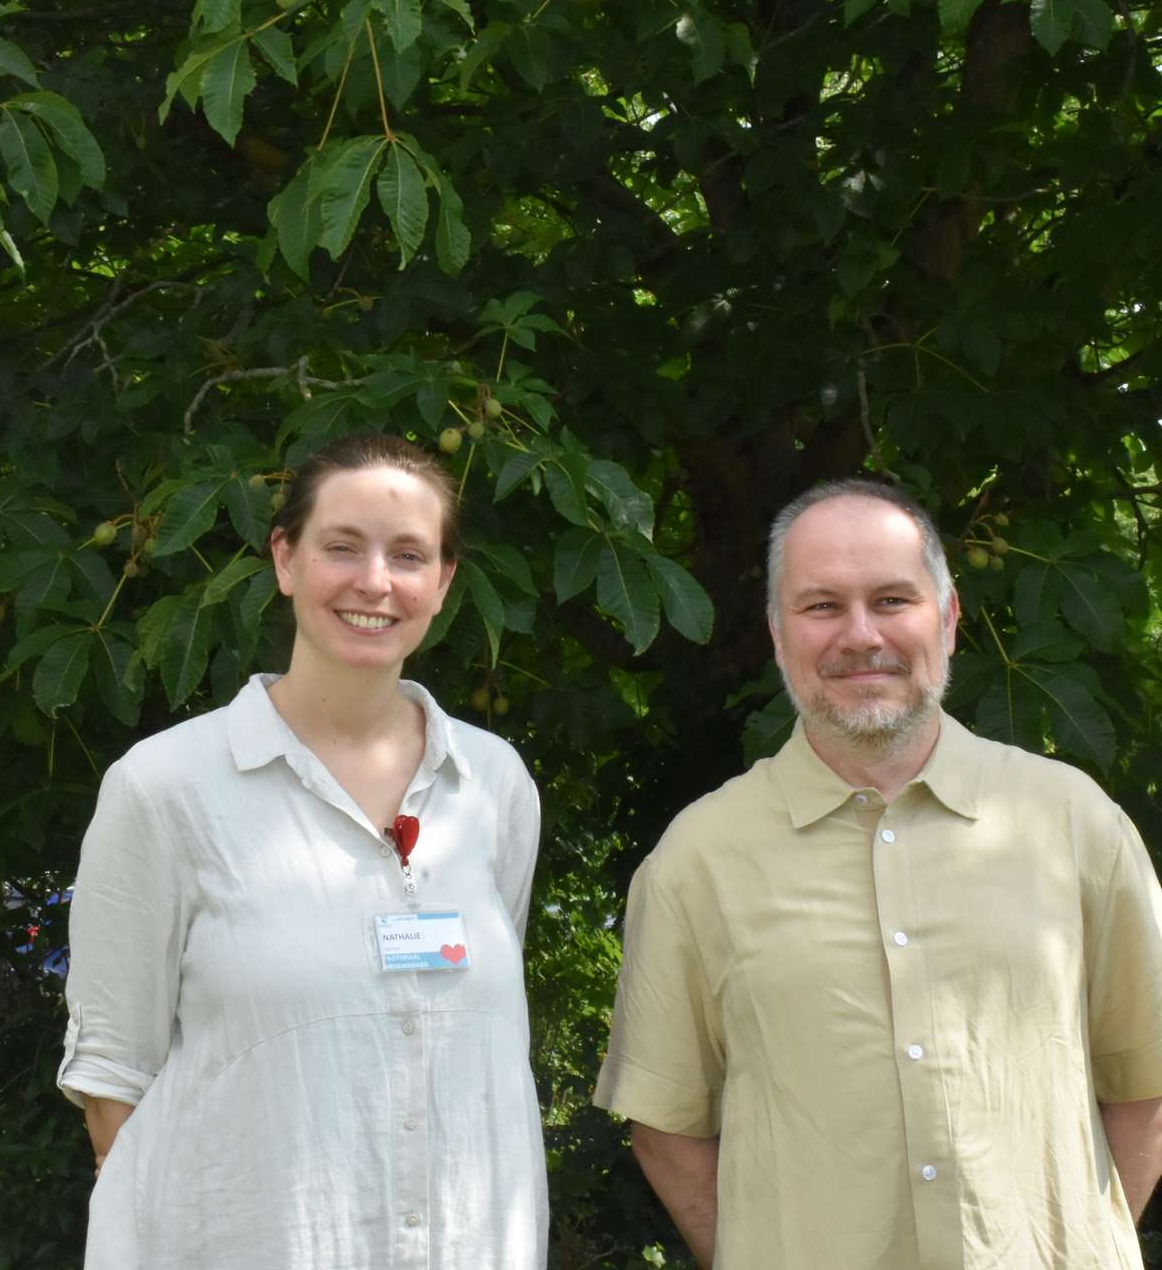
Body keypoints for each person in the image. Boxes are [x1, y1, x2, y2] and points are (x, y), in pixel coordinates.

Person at [594, 478, 1162, 1269]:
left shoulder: (1075, 823)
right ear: (775, 631)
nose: (861, 636)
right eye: (822, 606)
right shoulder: (697, 860)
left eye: (893, 600)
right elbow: (665, 1128)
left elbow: (1147, 1086)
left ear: (951, 618)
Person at [57, 433, 547, 1269]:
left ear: (445, 583)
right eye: (342, 548)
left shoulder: (492, 784)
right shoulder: (166, 789)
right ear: (284, 559)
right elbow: (113, 1078)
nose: (375, 582)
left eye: (408, 555)